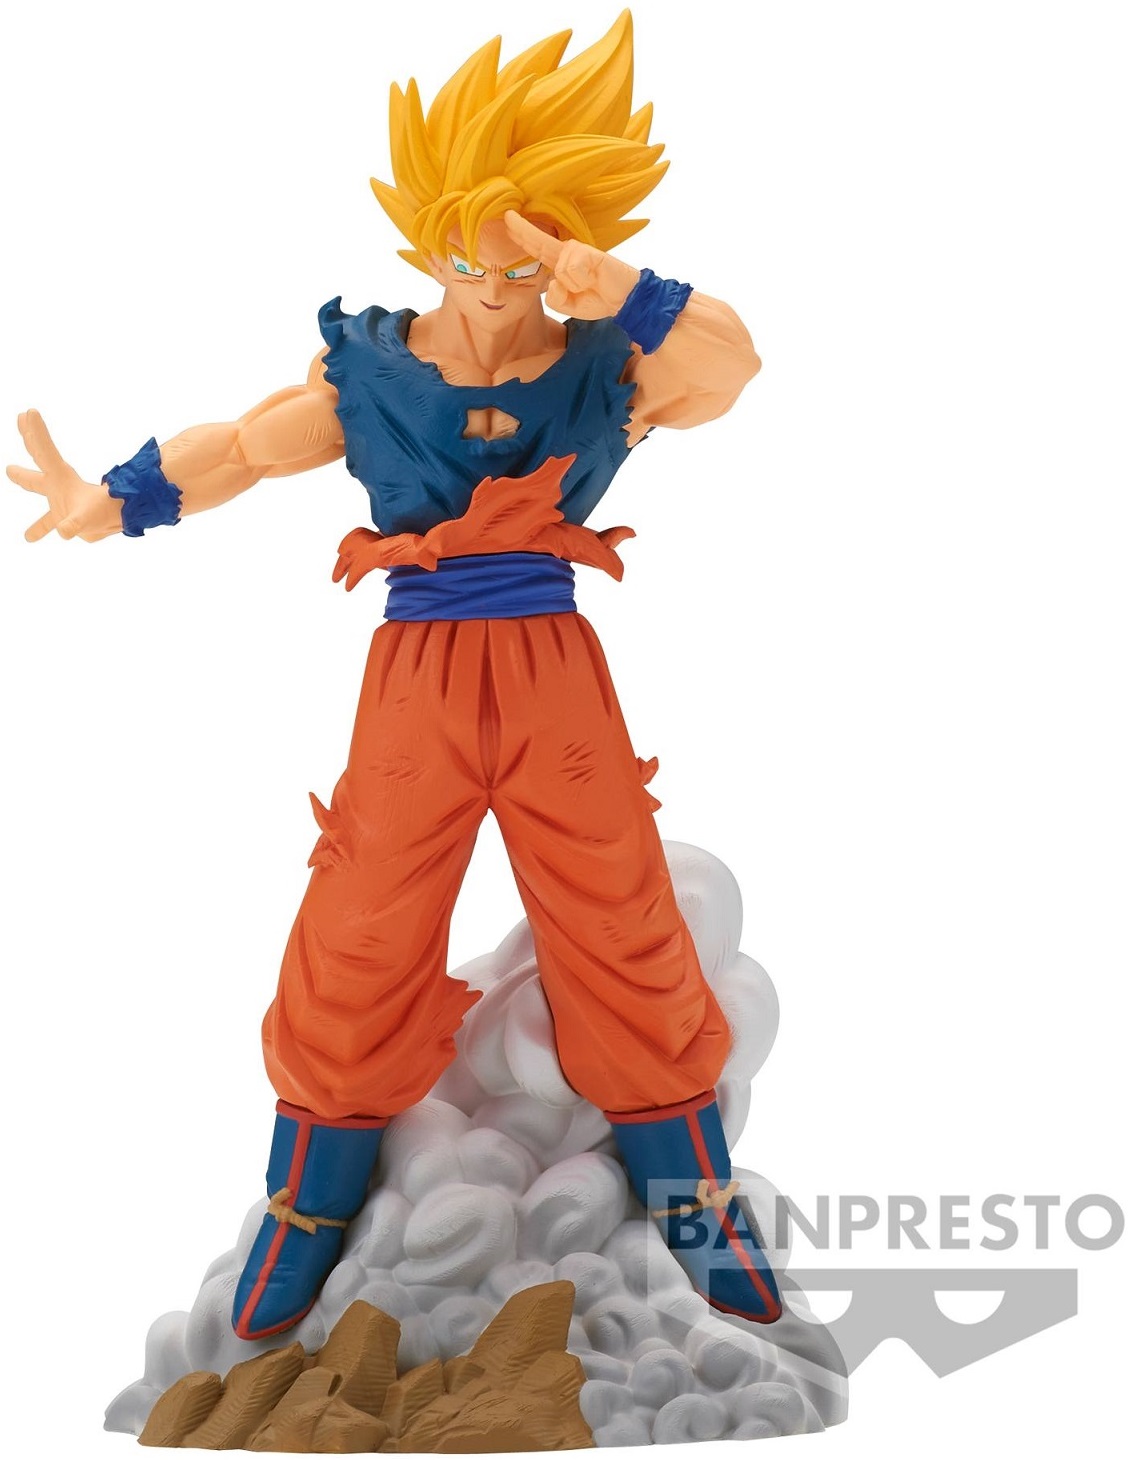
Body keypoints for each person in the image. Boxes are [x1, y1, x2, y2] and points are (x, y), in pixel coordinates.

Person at [8, 12, 782, 1339]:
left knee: (620, 913)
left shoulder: (611, 360)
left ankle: (693, 1191)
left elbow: (733, 367)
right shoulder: (372, 371)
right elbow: (245, 445)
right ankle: (308, 1199)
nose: (498, 284)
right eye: (475, 254)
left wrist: (619, 285)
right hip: (418, 669)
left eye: (528, 260)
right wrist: (116, 499)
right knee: (361, 918)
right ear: (429, 237)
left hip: (553, 667)